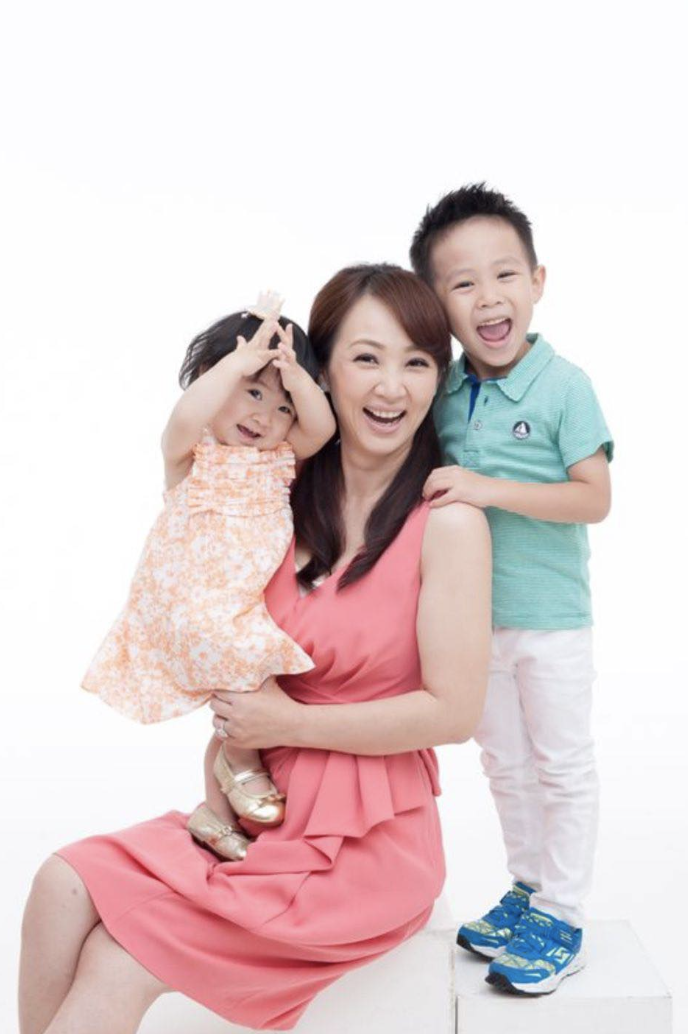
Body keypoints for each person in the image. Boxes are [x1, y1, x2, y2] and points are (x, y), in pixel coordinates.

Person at [19, 263, 491, 1034]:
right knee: (59, 885)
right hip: (257, 813)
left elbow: (454, 713)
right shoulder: (270, 489)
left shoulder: (449, 523)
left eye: (416, 363)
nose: (391, 387)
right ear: (320, 372)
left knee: (118, 957)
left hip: (365, 841)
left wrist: (287, 724)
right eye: (366, 358)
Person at [410, 183, 613, 995]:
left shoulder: (566, 385)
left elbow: (593, 499)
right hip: (472, 622)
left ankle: (563, 913)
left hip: (552, 619)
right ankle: (528, 888)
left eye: (504, 275)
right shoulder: (443, 391)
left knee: (562, 764)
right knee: (504, 764)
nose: (488, 297)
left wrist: (490, 488)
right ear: (438, 305)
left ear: (537, 281)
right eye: (463, 284)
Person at [81, 293, 336, 861]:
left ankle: (216, 816)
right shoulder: (191, 454)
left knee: (239, 692)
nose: (264, 417)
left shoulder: (279, 458)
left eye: (282, 407)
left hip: (237, 607)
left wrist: (296, 376)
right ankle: (242, 762)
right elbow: (185, 414)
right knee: (248, 685)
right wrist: (238, 363)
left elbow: (320, 429)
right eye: (252, 393)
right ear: (213, 379)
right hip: (188, 606)